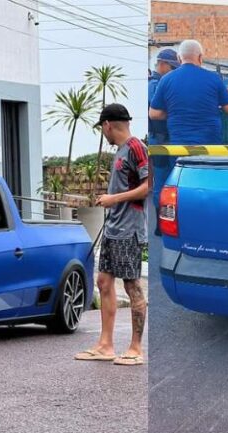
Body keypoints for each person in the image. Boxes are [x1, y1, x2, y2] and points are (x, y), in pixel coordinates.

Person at [75, 103, 148, 366]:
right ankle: (105, 345)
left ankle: (136, 348)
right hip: (113, 228)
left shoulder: (136, 147)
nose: (103, 133)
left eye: (102, 128)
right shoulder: (120, 151)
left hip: (129, 229)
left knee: (132, 286)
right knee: (104, 282)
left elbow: (148, 186)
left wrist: (114, 198)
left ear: (108, 125)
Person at [148, 39, 228, 233]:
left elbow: (154, 113)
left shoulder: (167, 80)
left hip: (179, 148)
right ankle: (207, 225)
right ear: (200, 57)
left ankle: (180, 226)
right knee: (208, 185)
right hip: (210, 147)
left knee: (181, 187)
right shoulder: (213, 79)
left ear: (180, 58)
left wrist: (173, 111)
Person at [148, 48, 179, 146]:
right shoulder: (154, 84)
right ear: (161, 64)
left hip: (167, 136)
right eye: (173, 68)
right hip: (157, 137)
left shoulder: (166, 83)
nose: (176, 71)